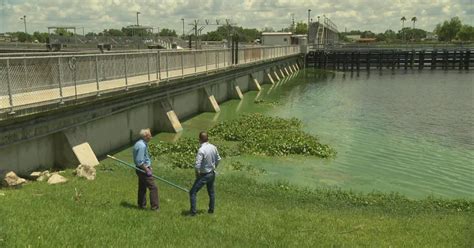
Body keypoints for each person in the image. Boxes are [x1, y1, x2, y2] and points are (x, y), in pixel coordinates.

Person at [189, 131, 221, 216]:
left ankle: (193, 212)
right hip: (212, 173)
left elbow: (197, 165)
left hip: (204, 175)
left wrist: (197, 173)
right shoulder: (213, 147)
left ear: (199, 139)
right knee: (211, 192)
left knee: (192, 192)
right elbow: (218, 159)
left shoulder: (201, 150)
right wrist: (214, 167)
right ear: (208, 138)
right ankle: (211, 210)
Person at [133, 128, 159, 211]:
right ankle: (155, 207)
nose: (151, 137)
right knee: (153, 187)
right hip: (142, 170)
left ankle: (141, 205)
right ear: (145, 136)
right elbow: (139, 161)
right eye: (150, 136)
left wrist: (149, 166)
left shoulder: (139, 143)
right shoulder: (142, 146)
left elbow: (144, 158)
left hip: (142, 168)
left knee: (142, 187)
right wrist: (147, 170)